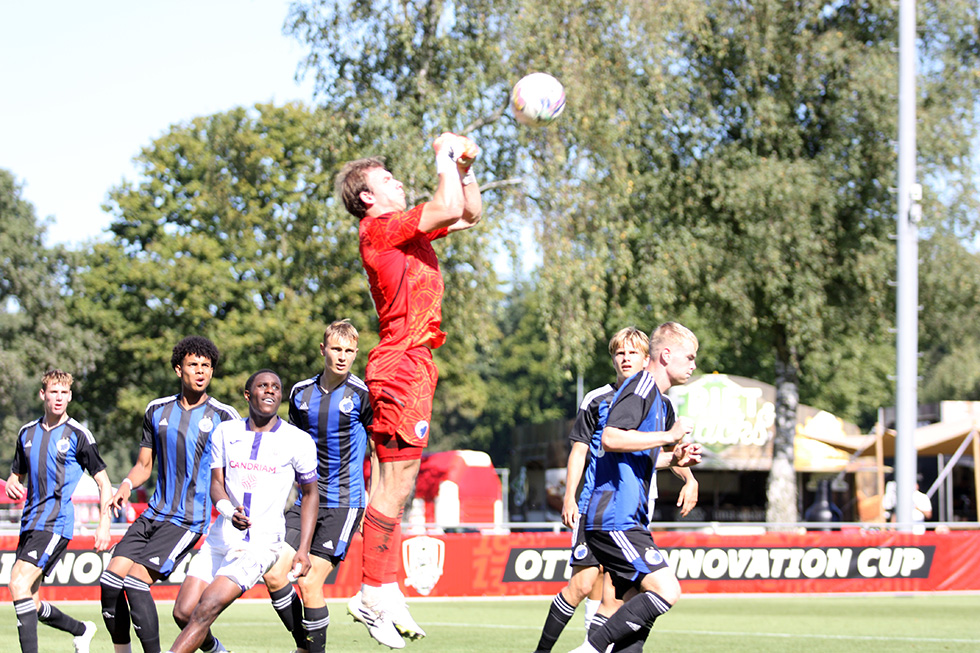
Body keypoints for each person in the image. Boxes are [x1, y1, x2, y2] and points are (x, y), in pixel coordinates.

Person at [336, 132, 482, 648]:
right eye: (386, 178)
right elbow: (444, 205)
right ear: (368, 197)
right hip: (401, 364)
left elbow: (466, 213)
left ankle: (382, 585)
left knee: (393, 488)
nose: (397, 181)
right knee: (395, 487)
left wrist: (463, 167)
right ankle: (370, 591)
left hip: (414, 363)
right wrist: (444, 153)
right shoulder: (378, 228)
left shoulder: (408, 232)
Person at [533, 328, 699, 653]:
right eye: (690, 357)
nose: (693, 364)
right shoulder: (638, 389)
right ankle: (587, 650)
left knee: (632, 608)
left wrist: (678, 460)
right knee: (665, 590)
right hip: (612, 517)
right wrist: (669, 437)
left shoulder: (656, 399)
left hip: (630, 516)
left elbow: (641, 454)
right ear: (666, 355)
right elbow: (610, 439)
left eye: (632, 352)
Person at [162, 369, 318, 653]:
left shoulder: (298, 440)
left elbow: (310, 494)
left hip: (260, 544)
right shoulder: (226, 431)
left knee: (206, 607)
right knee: (183, 613)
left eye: (276, 387)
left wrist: (303, 549)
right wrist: (227, 510)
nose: (270, 391)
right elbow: (216, 484)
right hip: (221, 538)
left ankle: (309, 645)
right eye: (262, 386)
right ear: (248, 395)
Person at [101, 336, 240, 653]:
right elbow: (143, 465)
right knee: (110, 583)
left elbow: (238, 468)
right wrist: (124, 486)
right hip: (152, 515)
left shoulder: (224, 416)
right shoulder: (156, 410)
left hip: (187, 520)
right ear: (179, 369)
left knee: (135, 583)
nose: (201, 371)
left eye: (206, 366)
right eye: (193, 365)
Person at [262, 320, 377, 653]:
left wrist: (377, 504)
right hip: (305, 501)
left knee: (310, 583)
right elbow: (292, 448)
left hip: (345, 502)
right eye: (336, 349)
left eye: (349, 351)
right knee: (273, 573)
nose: (342, 357)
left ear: (356, 353)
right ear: (323, 349)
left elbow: (376, 451)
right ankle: (307, 647)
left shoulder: (362, 395)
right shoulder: (300, 394)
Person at [6, 369, 113, 653]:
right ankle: (81, 630)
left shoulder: (78, 434)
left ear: (70, 396)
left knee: (16, 582)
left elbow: (104, 482)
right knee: (31, 599)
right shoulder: (26, 433)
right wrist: (12, 484)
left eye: (64, 393)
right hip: (29, 524)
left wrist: (104, 523)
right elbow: (17, 476)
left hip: (55, 523)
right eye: (54, 392)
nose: (59, 398)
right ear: (43, 394)